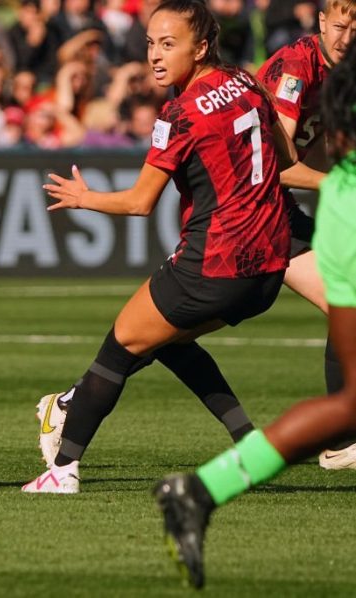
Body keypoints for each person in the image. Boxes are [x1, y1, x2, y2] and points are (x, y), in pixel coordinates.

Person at [24, 0, 300, 493]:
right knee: (168, 340)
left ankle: (62, 469)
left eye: (168, 44)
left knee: (119, 346)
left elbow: (139, 202)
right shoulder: (246, 81)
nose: (154, 54)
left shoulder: (180, 112)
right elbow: (287, 156)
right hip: (270, 266)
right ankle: (249, 443)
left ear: (201, 47)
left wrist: (85, 198)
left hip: (214, 263)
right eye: (151, 43)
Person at [154, 39, 356, 589]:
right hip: (308, 216)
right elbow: (289, 160)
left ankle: (203, 490)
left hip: (330, 211)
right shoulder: (291, 71)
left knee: (349, 405)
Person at [255, 0, 356, 469]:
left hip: (274, 208)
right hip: (244, 210)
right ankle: (342, 440)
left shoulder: (342, 70)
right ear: (320, 22)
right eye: (339, 26)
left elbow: (321, 151)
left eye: (355, 28)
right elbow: (276, 166)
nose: (347, 37)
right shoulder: (296, 68)